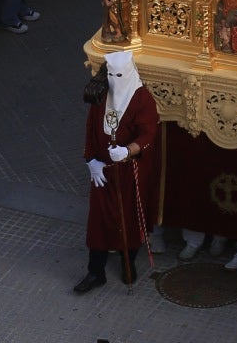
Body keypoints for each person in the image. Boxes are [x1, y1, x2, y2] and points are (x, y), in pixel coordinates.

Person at [74, 48, 160, 294]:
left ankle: (128, 263)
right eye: (112, 75)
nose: (115, 81)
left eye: (119, 75)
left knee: (128, 218)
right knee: (99, 219)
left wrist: (128, 150)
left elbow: (148, 134)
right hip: (103, 170)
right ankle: (95, 271)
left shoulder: (142, 99)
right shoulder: (102, 93)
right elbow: (91, 128)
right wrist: (91, 160)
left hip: (130, 171)